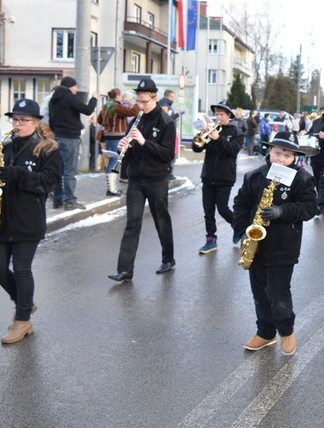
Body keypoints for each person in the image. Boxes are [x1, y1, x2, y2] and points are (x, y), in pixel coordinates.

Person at [0, 98, 62, 343]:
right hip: (2, 218)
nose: (17, 124)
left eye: (23, 120)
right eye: (15, 119)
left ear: (36, 122)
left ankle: (22, 320)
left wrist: (19, 174)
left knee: (22, 269)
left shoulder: (47, 149)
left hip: (29, 219)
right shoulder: (5, 146)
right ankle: (25, 302)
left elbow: (49, 181)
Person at [232, 132, 318, 356]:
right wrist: (242, 231)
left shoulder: (302, 178)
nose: (281, 159)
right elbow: (240, 204)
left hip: (284, 247)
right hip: (256, 245)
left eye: (287, 155)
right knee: (259, 292)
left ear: (294, 158)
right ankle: (266, 333)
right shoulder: (255, 176)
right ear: (269, 152)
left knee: (278, 293)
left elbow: (310, 208)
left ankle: (287, 331)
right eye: (277, 153)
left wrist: (282, 211)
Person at [108, 78, 177, 282]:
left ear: (154, 98)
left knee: (161, 219)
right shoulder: (137, 119)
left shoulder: (166, 122)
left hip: (156, 179)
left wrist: (144, 142)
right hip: (136, 179)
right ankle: (125, 269)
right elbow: (132, 151)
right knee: (132, 222)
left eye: (145, 101)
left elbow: (167, 155)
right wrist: (124, 149)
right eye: (139, 101)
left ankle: (168, 259)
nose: (141, 105)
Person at [192, 101, 244, 254]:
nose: (218, 117)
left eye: (222, 114)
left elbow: (232, 150)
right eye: (216, 114)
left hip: (225, 177)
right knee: (208, 211)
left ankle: (238, 227)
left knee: (222, 209)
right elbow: (196, 148)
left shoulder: (236, 132)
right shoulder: (211, 130)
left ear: (229, 116)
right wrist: (201, 136)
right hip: (208, 176)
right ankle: (211, 240)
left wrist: (218, 138)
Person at [48, 76, 98, 210]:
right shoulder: (70, 97)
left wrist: (58, 131)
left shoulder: (54, 99)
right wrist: (94, 98)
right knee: (70, 171)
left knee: (59, 170)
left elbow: (51, 121)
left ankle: (57, 200)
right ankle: (70, 201)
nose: (76, 89)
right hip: (70, 138)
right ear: (71, 86)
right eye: (75, 87)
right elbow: (87, 110)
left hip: (57, 137)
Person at [97, 87, 140, 196]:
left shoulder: (106, 106)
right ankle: (111, 189)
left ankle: (112, 187)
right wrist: (137, 103)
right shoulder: (116, 106)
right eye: (121, 95)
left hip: (108, 136)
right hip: (116, 136)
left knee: (113, 160)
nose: (122, 97)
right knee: (114, 161)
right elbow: (132, 112)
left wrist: (108, 126)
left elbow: (99, 120)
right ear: (117, 96)